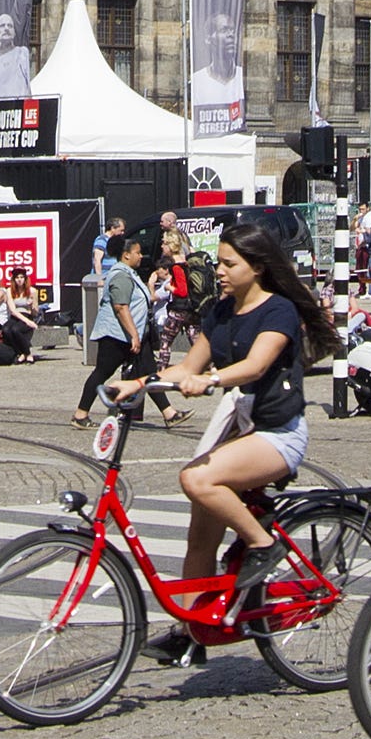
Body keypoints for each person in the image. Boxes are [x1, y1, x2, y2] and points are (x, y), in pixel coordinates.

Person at [115, 224, 338, 664]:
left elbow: (255, 366)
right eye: (218, 262)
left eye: (228, 263)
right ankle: (190, 631)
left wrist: (211, 380)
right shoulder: (219, 311)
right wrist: (138, 383)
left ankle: (262, 544)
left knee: (196, 478)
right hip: (238, 429)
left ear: (257, 268)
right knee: (200, 539)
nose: (218, 270)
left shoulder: (279, 312)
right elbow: (186, 366)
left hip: (277, 433)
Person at [74, 235, 153, 425]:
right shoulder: (121, 275)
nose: (141, 256)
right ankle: (80, 414)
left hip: (129, 334)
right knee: (102, 372)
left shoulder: (130, 273)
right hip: (116, 335)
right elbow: (120, 307)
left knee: (148, 372)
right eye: (137, 252)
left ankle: (169, 413)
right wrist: (134, 334)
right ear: (126, 255)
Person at [0, 4, 35, 102]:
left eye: (10, 26)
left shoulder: (22, 53)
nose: (6, 28)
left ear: (14, 32)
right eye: (2, 25)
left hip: (18, 107)